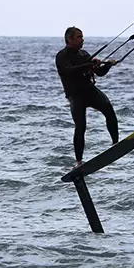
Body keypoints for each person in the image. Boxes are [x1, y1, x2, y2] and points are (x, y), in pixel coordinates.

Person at [55, 26, 119, 167]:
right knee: (81, 126)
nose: (82, 39)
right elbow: (69, 71)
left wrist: (107, 65)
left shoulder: (84, 55)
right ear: (69, 39)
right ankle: (78, 161)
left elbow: (100, 73)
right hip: (76, 96)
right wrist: (89, 64)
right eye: (79, 37)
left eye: (82, 36)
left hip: (90, 91)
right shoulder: (62, 56)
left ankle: (115, 144)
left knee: (110, 112)